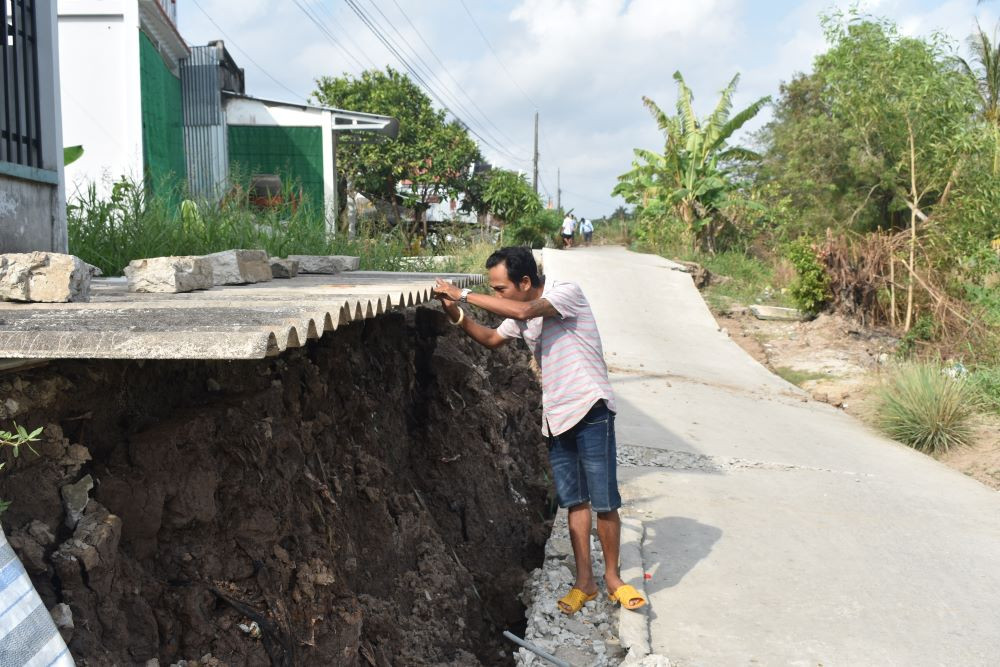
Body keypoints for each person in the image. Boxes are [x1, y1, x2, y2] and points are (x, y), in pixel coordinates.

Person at [432, 247, 647, 616]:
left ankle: (613, 579)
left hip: (591, 408)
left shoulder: (565, 292)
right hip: (557, 417)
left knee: (605, 502)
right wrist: (454, 312)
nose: (498, 294)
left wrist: (462, 293)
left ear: (526, 282)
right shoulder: (521, 315)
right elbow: (490, 338)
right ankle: (585, 583)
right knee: (574, 502)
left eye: (500, 288)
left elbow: (522, 310)